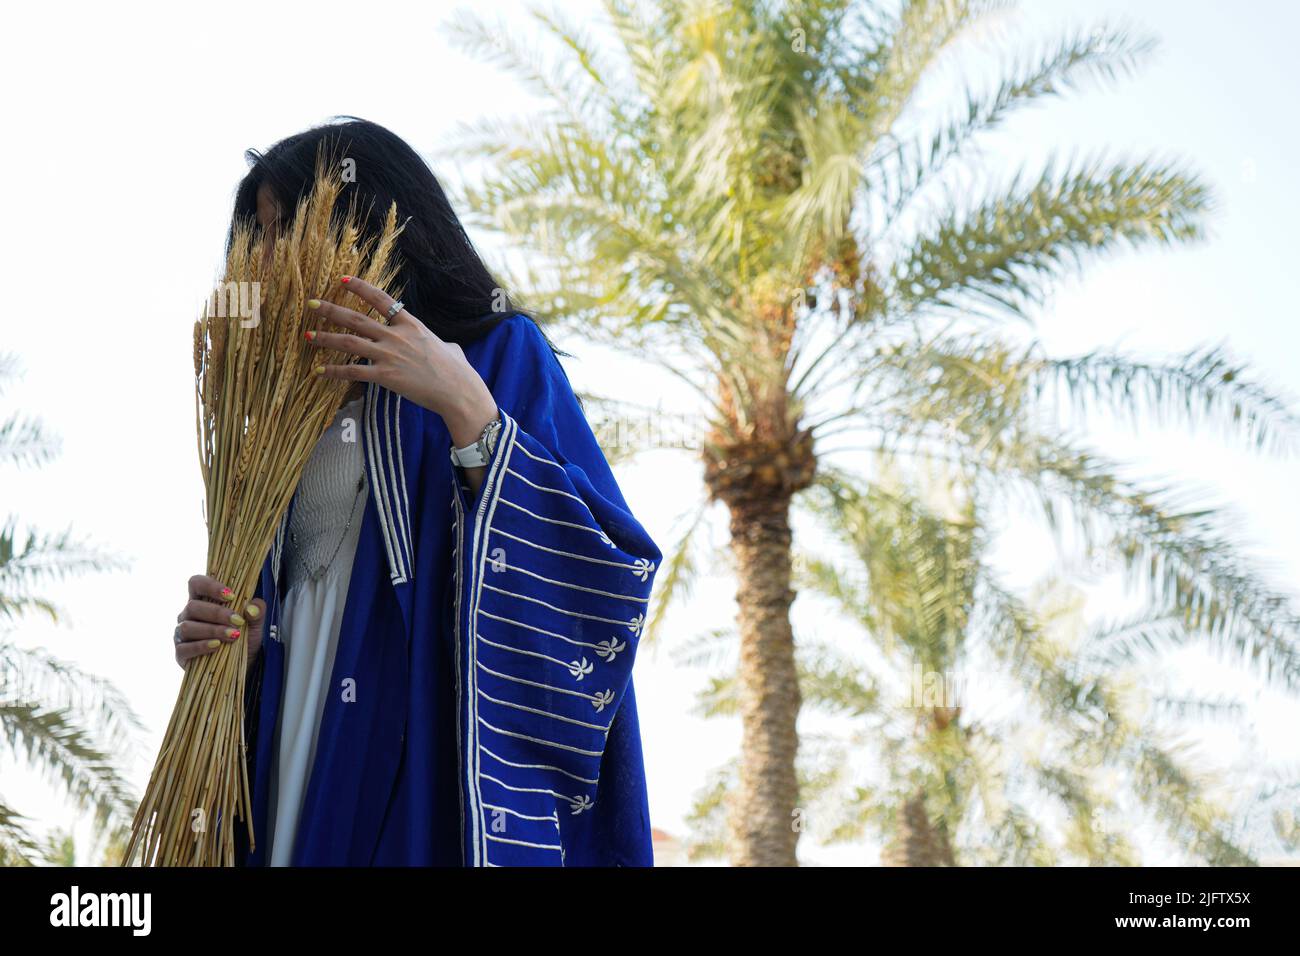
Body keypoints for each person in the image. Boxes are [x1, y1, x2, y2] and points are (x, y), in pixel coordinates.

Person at [171, 117, 661, 866]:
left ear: (368, 226)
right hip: (294, 751)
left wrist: (467, 407)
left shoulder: (496, 355)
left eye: (288, 227)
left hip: (422, 757)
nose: (267, 259)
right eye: (258, 235)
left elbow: (598, 578)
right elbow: (294, 605)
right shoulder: (271, 429)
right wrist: (228, 632)